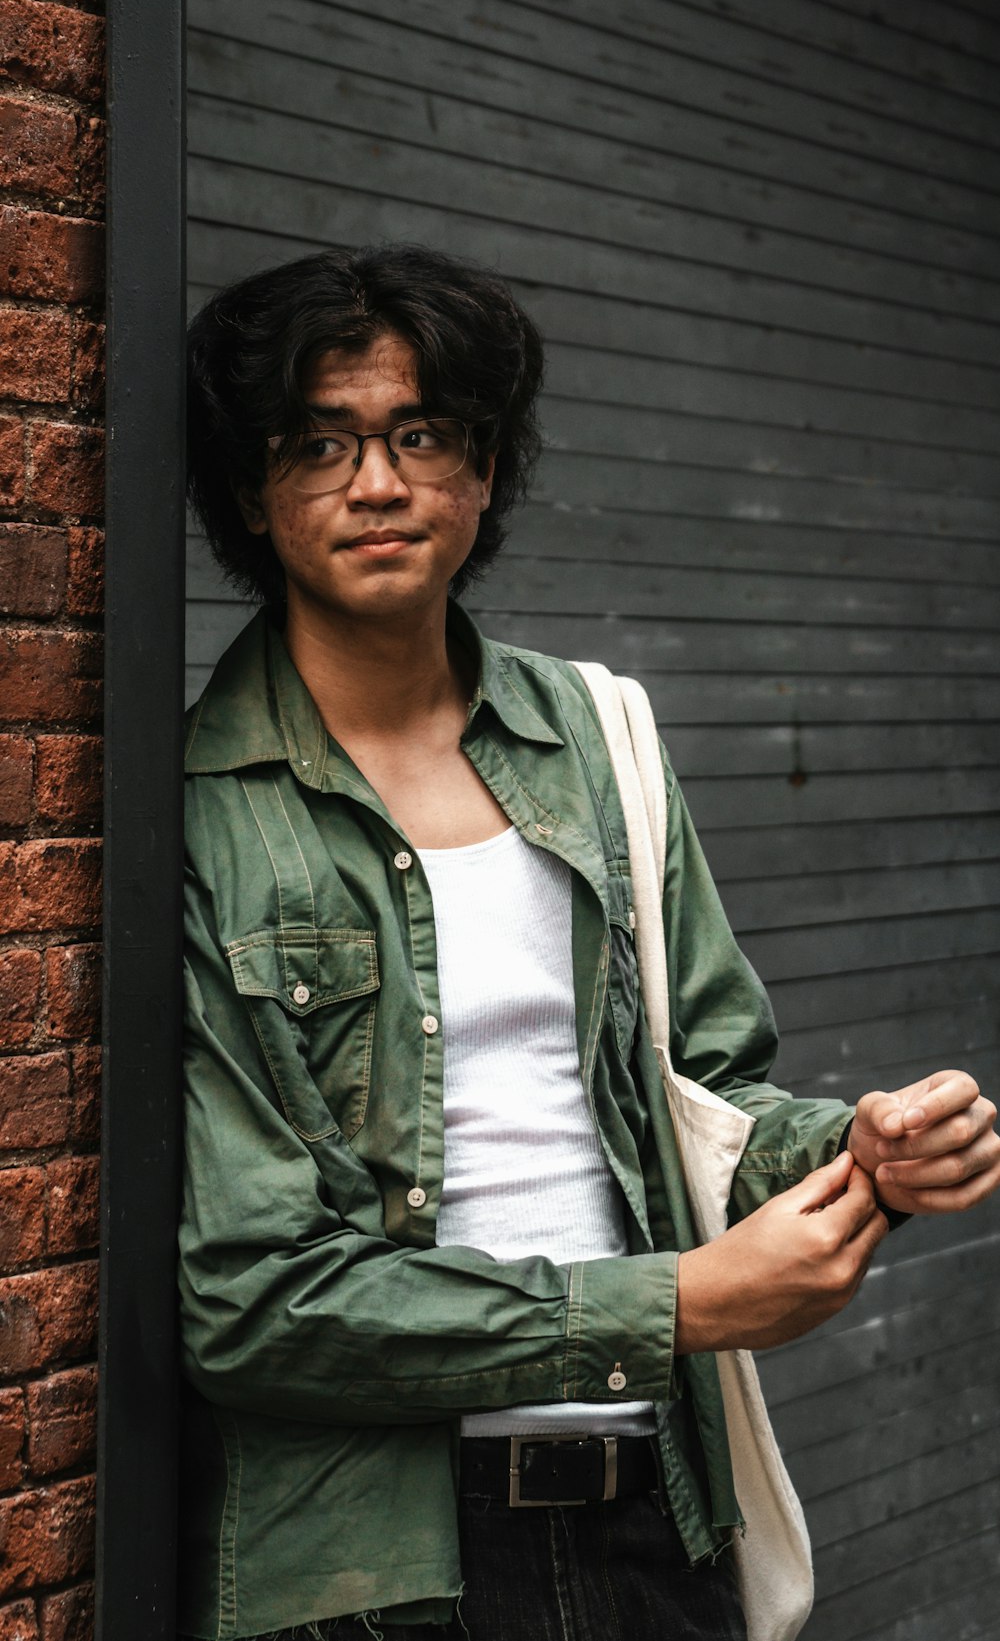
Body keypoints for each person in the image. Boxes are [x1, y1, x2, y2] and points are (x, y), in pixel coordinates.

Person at [179, 244, 1000, 1641]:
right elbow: (250, 1300)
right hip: (380, 1578)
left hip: (653, 1517)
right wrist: (671, 1303)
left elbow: (712, 1096)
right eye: (319, 442)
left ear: (484, 468)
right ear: (255, 495)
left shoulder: (596, 734)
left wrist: (859, 1146)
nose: (377, 483)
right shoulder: (195, 808)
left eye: (420, 433)